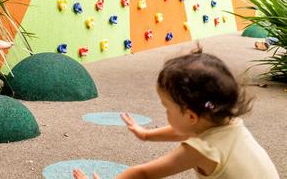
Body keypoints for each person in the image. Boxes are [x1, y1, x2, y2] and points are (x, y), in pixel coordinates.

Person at [74, 52, 279, 179]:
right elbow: (186, 131)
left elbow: (143, 174)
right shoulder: (224, 120)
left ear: (191, 116)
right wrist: (145, 135)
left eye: (166, 107)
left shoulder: (203, 150)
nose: (165, 112)